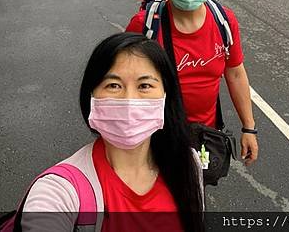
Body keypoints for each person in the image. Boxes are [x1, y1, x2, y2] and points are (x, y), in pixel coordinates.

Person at [21, 33, 204, 232]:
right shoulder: (60, 190)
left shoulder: (187, 164)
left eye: (145, 86)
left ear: (166, 96)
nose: (128, 100)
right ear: (91, 96)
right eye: (113, 85)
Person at [126, 0, 259, 166]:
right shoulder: (145, 26)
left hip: (204, 135)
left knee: (197, 190)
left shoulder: (224, 21)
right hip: (154, 135)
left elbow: (235, 73)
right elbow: (122, 80)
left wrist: (249, 128)